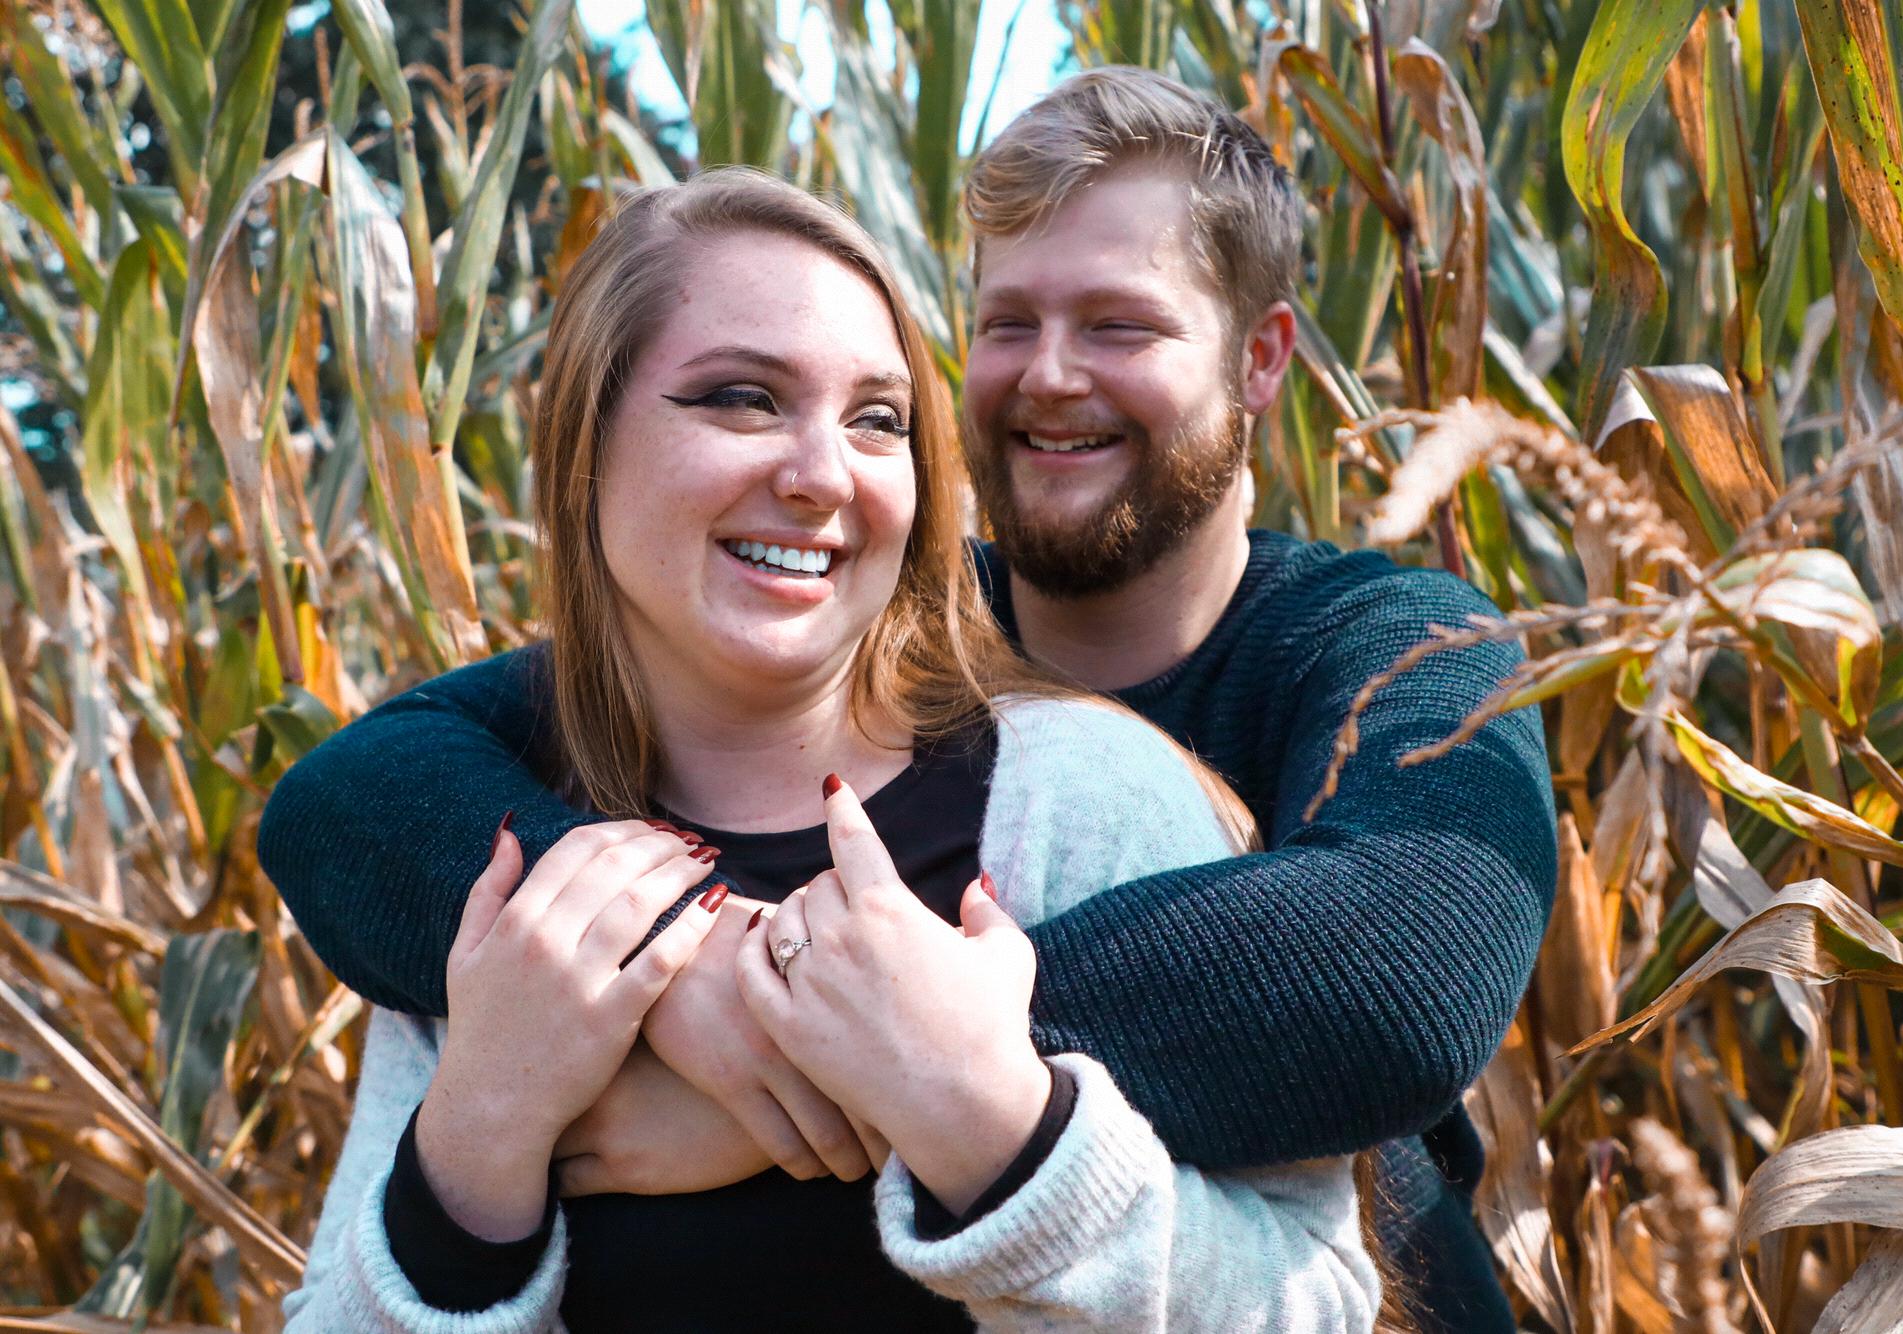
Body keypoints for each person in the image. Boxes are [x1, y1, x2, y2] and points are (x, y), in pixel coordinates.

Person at [262, 70, 1556, 1329]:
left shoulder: (1388, 650)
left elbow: (1403, 975)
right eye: (1006, 323)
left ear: (1264, 358)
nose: (1050, 375)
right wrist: (670, 985)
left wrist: (825, 1046)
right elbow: (349, 792)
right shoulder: (791, 643)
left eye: (1119, 324)